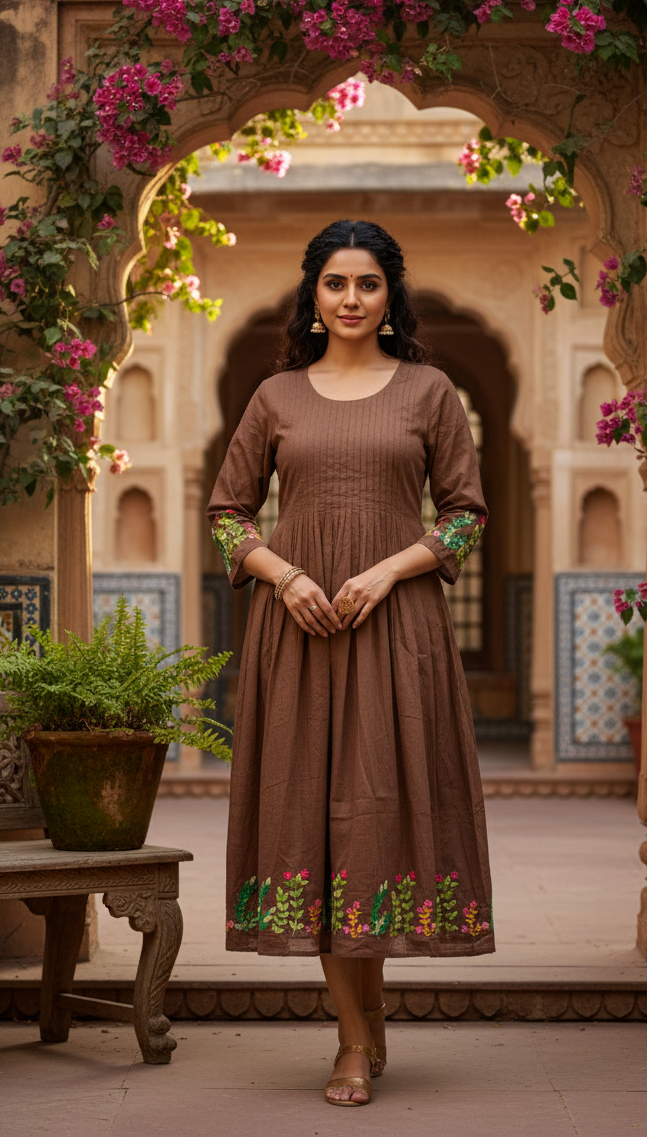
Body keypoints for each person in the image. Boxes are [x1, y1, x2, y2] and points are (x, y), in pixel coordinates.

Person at [207, 219, 494, 1107]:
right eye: (336, 284)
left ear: (389, 295)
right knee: (311, 819)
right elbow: (227, 513)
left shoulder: (430, 391)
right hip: (297, 636)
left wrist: (388, 567)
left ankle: (364, 1027)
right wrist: (283, 575)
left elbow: (465, 513)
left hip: (399, 632)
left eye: (368, 284)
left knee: (375, 815)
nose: (352, 299)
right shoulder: (276, 397)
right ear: (314, 297)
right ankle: (351, 1041)